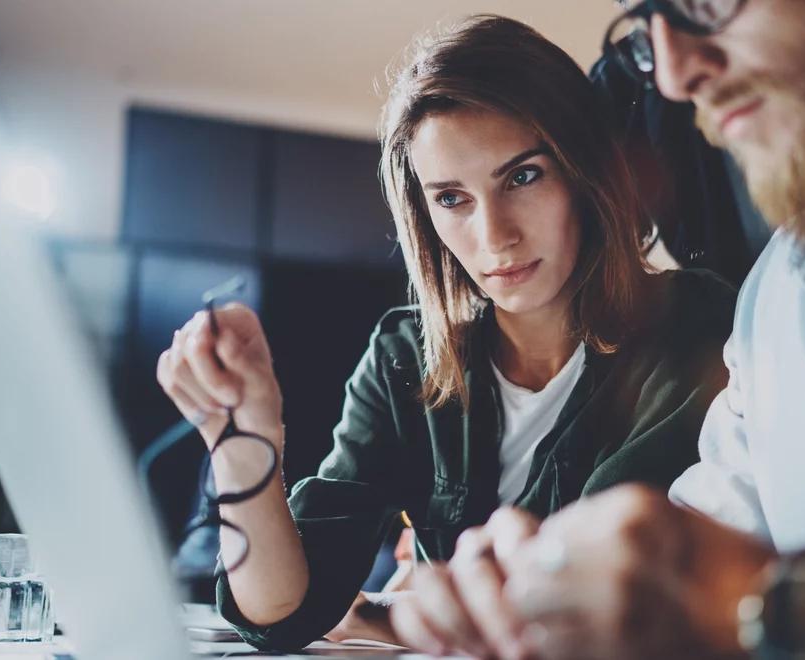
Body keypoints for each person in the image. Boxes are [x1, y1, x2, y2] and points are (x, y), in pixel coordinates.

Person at [390, 1, 805, 658]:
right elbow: (692, 558)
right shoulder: (776, 302)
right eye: (649, 17)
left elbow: (737, 598)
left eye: (702, 2)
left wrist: (798, 609)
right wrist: (546, 594)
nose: (677, 76)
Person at [155, 14, 736, 652]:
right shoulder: (405, 356)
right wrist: (242, 438)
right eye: (452, 198)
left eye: (523, 176)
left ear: (584, 172)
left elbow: (583, 584)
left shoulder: (691, 326)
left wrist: (396, 615)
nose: (495, 237)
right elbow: (281, 613)